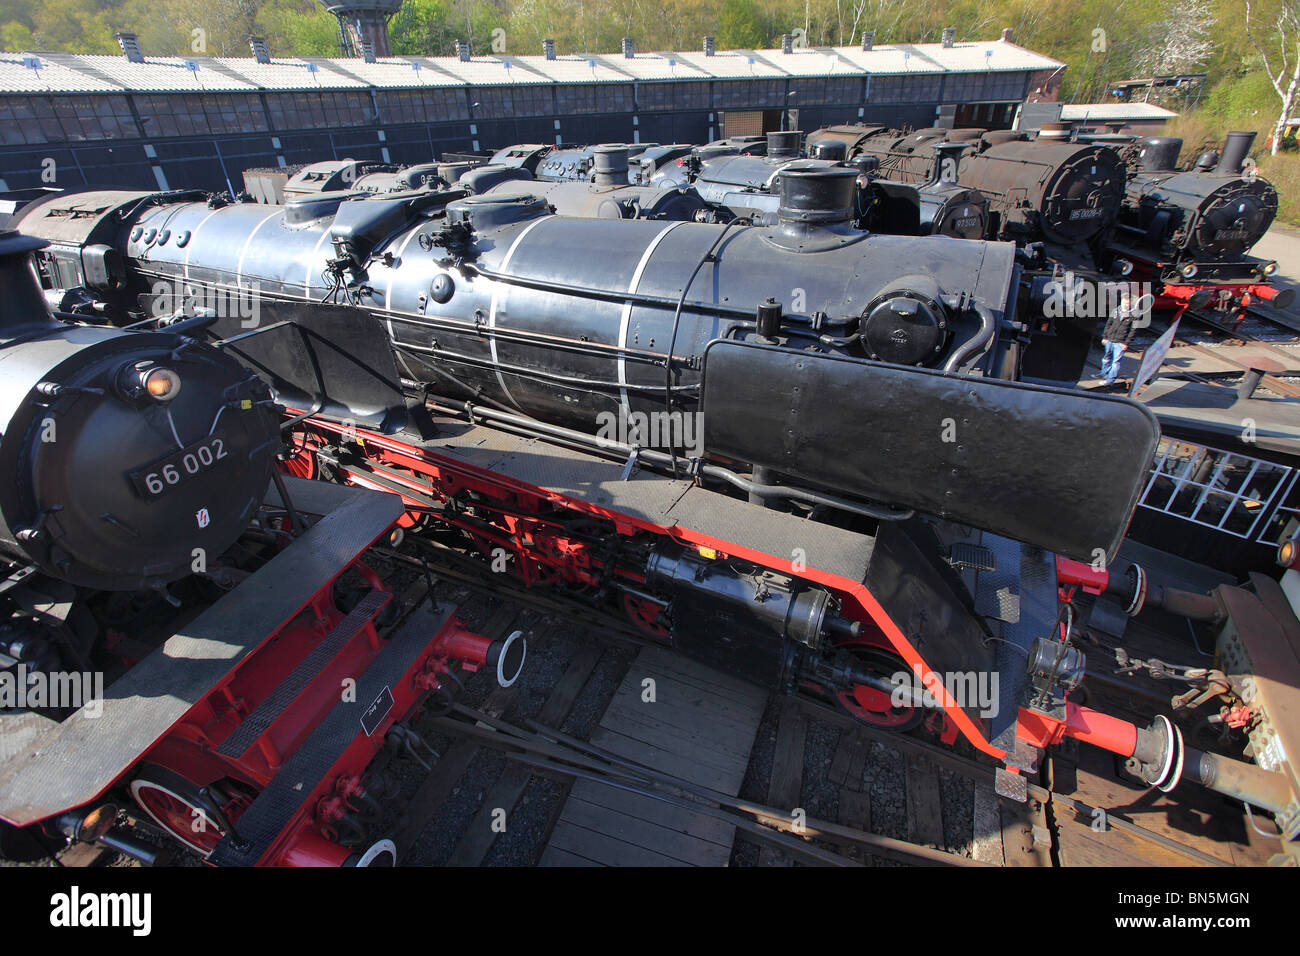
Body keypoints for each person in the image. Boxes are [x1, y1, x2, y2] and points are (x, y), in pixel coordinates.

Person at [1100, 289, 1138, 386]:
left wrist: (1126, 343)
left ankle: (1110, 380)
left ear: (1130, 304)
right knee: (1106, 359)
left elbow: (1133, 331)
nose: (1125, 305)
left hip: (1120, 342)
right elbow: (1108, 323)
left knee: (1116, 362)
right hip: (1110, 339)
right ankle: (1104, 374)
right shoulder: (1116, 310)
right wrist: (1105, 336)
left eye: (1127, 303)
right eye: (1123, 302)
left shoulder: (1134, 315)